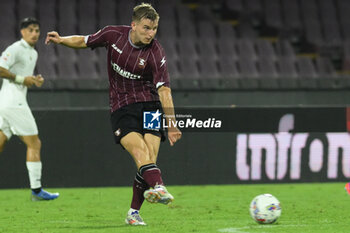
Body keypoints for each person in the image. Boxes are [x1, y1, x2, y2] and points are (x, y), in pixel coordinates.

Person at [45, 3, 182, 225]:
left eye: (154, 28)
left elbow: (164, 90)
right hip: (122, 106)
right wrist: (61, 40)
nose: (151, 33)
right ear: (134, 25)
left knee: (149, 160)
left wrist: (172, 123)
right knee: (140, 153)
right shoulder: (113, 35)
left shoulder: (156, 53)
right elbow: (84, 40)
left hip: (151, 107)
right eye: (146, 28)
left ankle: (133, 213)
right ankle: (159, 186)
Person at [0, 17, 59, 201]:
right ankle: (36, 190)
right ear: (22, 31)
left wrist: (33, 80)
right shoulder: (16, 48)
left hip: (8, 102)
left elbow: (23, 77)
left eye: (37, 30)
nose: (35, 33)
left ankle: (36, 191)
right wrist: (22, 79)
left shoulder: (33, 53)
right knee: (34, 143)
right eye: (31, 30)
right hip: (13, 103)